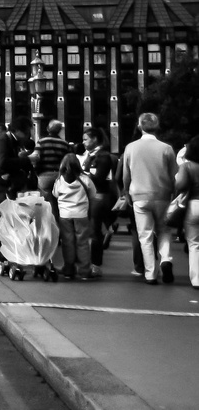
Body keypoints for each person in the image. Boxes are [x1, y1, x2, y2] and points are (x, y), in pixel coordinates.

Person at [120, 112, 178, 284]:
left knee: (145, 235)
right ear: (157, 127)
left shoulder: (131, 147)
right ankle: (166, 259)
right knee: (164, 230)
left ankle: (150, 273)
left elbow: (126, 175)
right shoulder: (166, 148)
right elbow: (175, 175)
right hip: (163, 195)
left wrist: (126, 192)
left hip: (139, 195)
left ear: (140, 127)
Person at [51, 152, 98, 279]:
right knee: (82, 242)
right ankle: (84, 270)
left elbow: (55, 194)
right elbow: (93, 194)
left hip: (65, 215)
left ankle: (68, 269)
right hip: (81, 214)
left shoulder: (59, 180)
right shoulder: (85, 179)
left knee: (68, 242)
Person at [82, 126, 117, 269]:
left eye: (86, 139)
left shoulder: (102, 156)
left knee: (94, 231)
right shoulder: (91, 155)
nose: (83, 142)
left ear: (95, 139)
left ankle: (95, 265)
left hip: (98, 196)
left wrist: (83, 174)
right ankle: (107, 230)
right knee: (94, 230)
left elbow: (99, 178)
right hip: (95, 196)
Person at [176, 135, 199, 289]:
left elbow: (180, 185)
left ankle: (197, 279)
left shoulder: (188, 166)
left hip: (194, 204)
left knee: (194, 244)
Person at [31, 119, 70, 194]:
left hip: (44, 175)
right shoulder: (65, 144)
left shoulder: (42, 142)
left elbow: (36, 157)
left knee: (46, 200)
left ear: (48, 128)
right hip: (59, 176)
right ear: (59, 130)